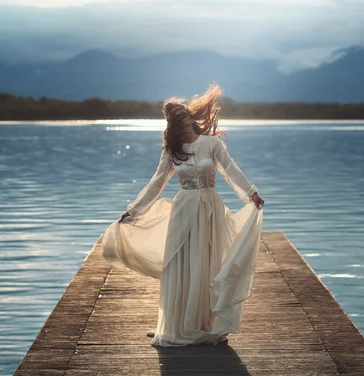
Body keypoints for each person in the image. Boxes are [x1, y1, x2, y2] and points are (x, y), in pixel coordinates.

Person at [102, 83, 264, 347]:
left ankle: (205, 323)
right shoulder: (171, 151)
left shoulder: (211, 144)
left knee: (208, 264)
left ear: (189, 117)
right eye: (173, 121)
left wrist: (250, 193)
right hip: (184, 210)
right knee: (182, 265)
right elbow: (157, 183)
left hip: (210, 209)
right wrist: (133, 210)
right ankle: (178, 326)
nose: (179, 124)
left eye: (181, 117)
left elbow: (230, 170)